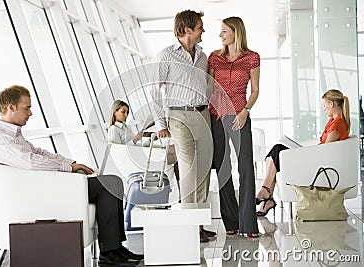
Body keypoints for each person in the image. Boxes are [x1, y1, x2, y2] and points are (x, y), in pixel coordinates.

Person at [0, 85, 143, 267]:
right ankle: (109, 253)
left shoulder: (13, 135)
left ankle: (115, 248)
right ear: (11, 107)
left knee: (113, 182)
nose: (30, 113)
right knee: (108, 183)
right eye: (26, 108)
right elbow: (31, 162)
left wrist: (70, 163)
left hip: (51, 186)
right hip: (46, 192)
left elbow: (40, 153)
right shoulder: (0, 139)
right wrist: (68, 167)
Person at [150, 9, 215, 242]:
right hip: (178, 117)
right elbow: (154, 92)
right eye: (199, 27)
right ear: (187, 30)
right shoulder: (165, 56)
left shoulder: (202, 56)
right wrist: (160, 123)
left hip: (202, 115)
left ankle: (198, 223)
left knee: (203, 170)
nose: (203, 31)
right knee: (188, 170)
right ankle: (189, 225)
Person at [256, 89, 350, 216]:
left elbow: (325, 152)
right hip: (315, 158)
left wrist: (303, 152)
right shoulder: (333, 122)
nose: (324, 109)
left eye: (324, 105)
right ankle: (267, 197)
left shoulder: (337, 124)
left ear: (332, 104)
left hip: (317, 163)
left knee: (277, 149)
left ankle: (266, 193)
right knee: (275, 152)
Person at [208, 16, 260, 237]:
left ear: (235, 32)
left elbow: (256, 90)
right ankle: (231, 221)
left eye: (224, 31)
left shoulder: (251, 58)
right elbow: (209, 87)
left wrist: (244, 111)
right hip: (217, 117)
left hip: (240, 116)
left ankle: (249, 224)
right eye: (220, 32)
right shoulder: (214, 58)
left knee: (246, 167)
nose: (220, 35)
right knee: (222, 168)